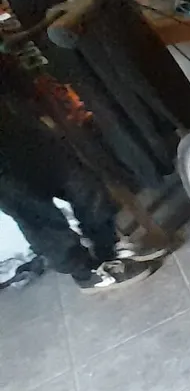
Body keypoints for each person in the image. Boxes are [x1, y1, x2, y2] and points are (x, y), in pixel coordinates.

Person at [0, 106, 167, 293]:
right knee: (39, 217)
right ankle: (85, 272)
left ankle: (109, 248)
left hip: (18, 127)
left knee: (85, 185)